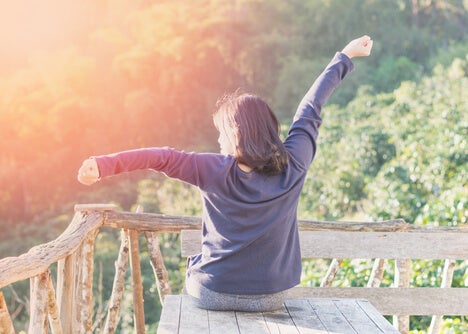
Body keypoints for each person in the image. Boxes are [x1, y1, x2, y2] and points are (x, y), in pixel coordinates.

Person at [78, 35, 373, 311]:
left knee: (196, 268)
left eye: (221, 133)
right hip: (270, 296)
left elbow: (161, 158)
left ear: (235, 134)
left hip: (212, 292)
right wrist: (345, 56)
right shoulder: (294, 162)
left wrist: (104, 165)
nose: (218, 140)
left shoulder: (213, 170)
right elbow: (310, 109)